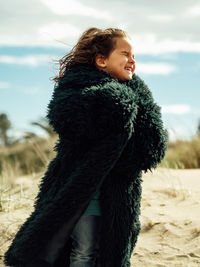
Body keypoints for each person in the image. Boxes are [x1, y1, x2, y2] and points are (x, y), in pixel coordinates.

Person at [4, 27, 168, 267]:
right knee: (84, 250)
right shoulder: (77, 89)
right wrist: (120, 106)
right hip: (82, 194)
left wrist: (129, 107)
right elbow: (69, 118)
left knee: (111, 254)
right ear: (101, 60)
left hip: (119, 196)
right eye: (125, 54)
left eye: (134, 56)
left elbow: (153, 146)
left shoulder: (138, 96)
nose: (132, 61)